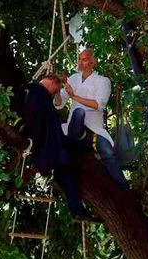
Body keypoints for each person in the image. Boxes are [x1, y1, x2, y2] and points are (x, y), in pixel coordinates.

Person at [13, 74, 100, 222]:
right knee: (68, 167)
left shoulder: (29, 90)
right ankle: (77, 209)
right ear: (52, 82)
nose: (55, 93)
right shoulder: (39, 93)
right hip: (49, 145)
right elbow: (35, 121)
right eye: (56, 90)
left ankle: (76, 208)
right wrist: (34, 141)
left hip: (51, 143)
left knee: (75, 153)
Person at [55, 49, 129, 190]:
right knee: (77, 113)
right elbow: (59, 104)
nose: (81, 62)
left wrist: (74, 97)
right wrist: (58, 89)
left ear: (93, 62)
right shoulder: (74, 78)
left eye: (85, 59)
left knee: (108, 154)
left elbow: (98, 105)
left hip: (93, 127)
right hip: (74, 126)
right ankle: (64, 171)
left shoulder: (103, 81)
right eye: (79, 59)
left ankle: (124, 187)